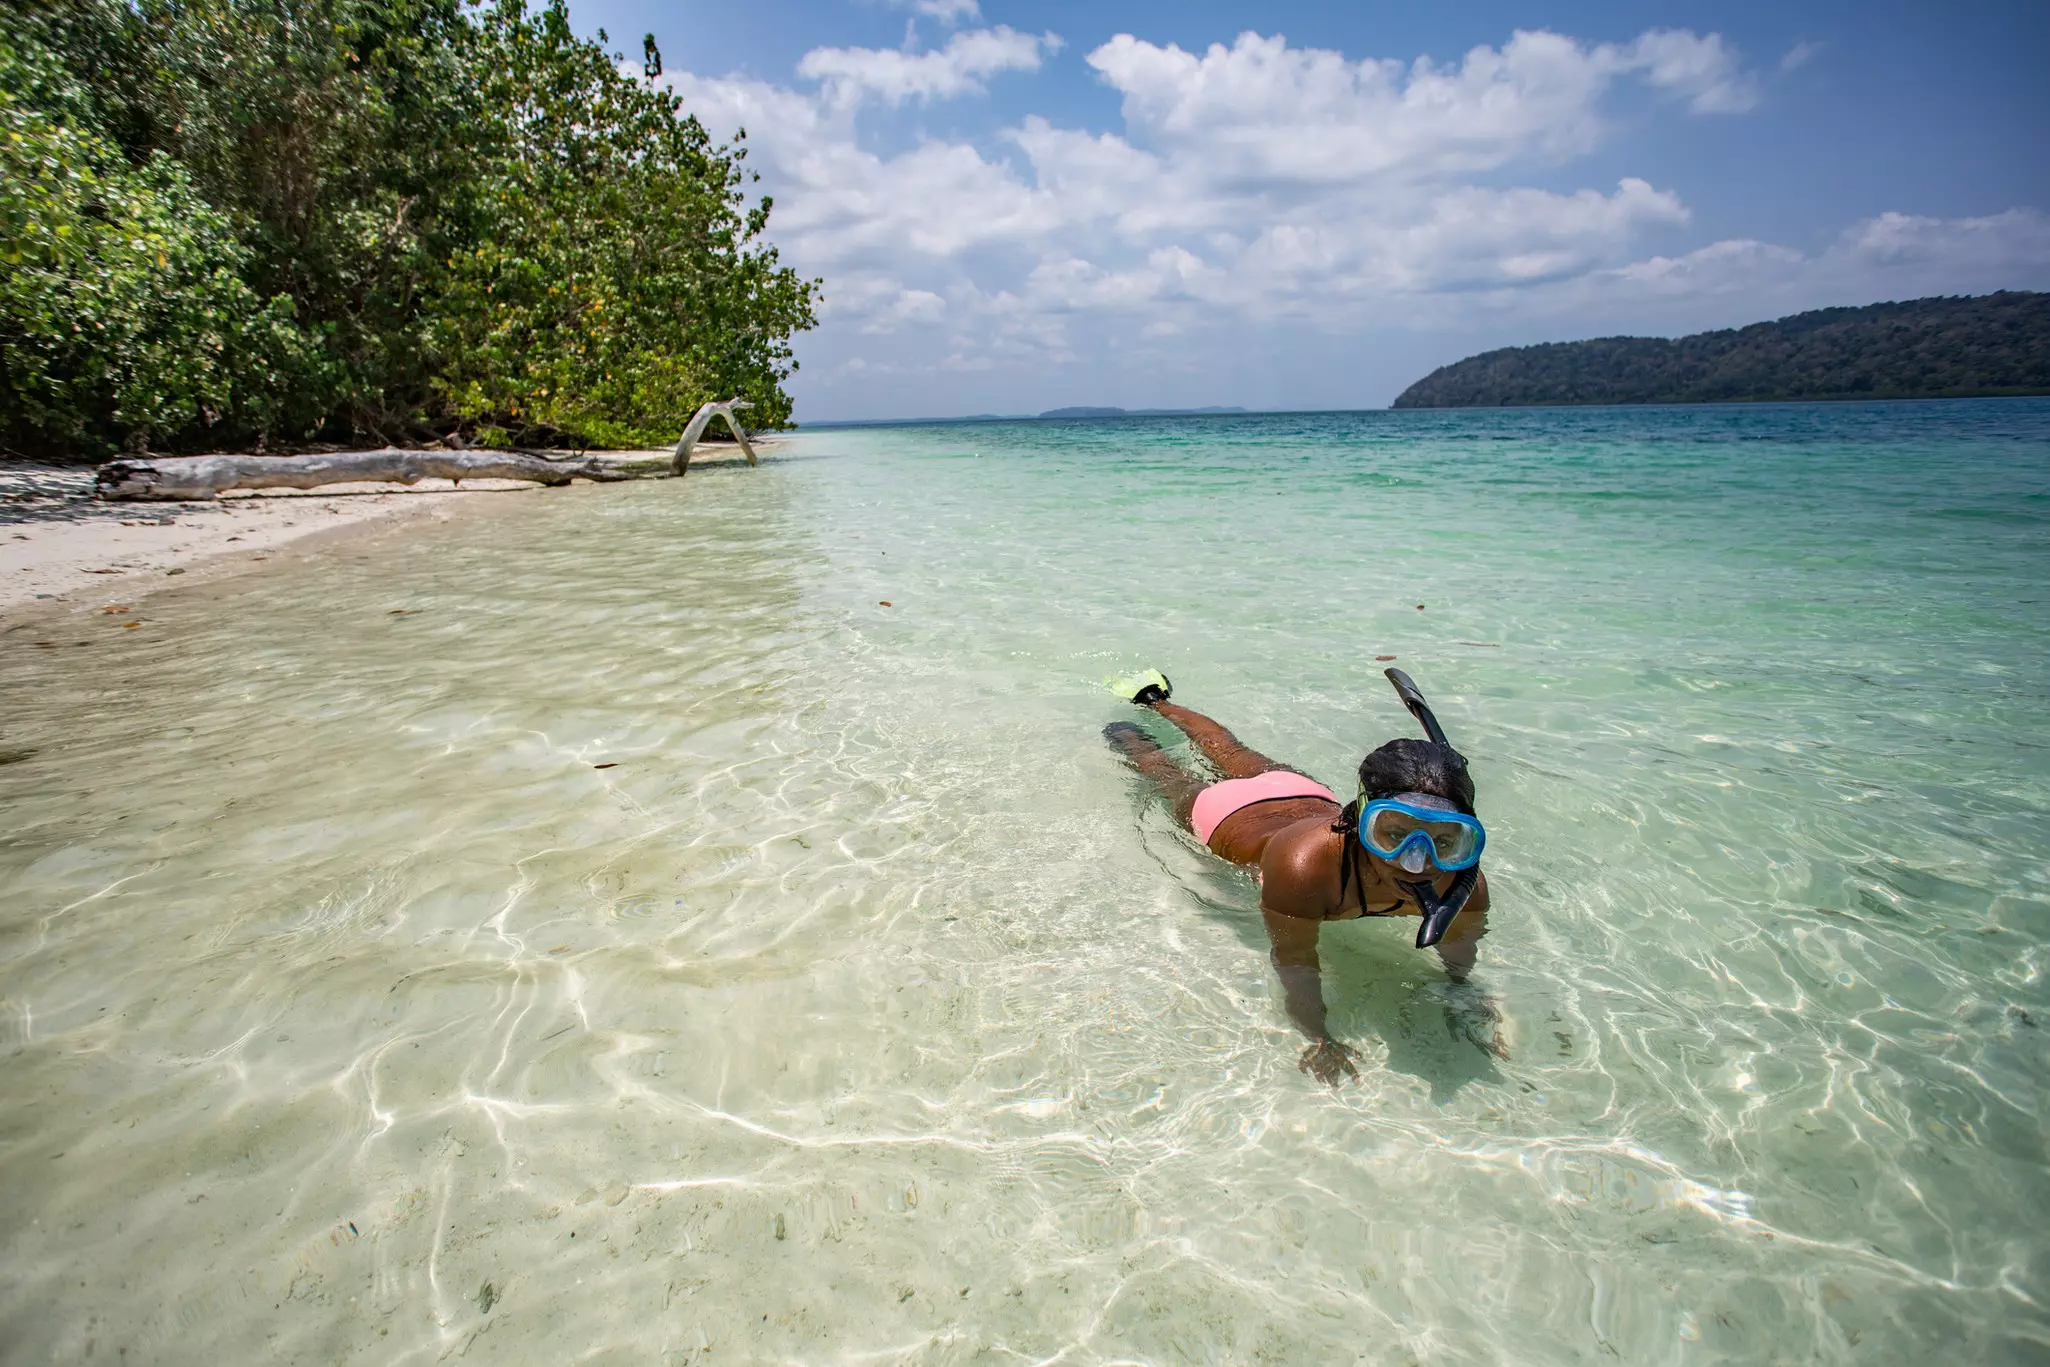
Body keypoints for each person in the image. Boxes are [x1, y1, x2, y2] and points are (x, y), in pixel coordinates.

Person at [1103, 668, 1493, 1084]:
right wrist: (1319, 1037)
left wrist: (1465, 999)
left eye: (1445, 841)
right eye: (1393, 833)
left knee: (1230, 750)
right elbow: (1295, 963)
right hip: (1228, 814)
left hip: (1305, 793)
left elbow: (1460, 948)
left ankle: (1156, 704)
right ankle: (1147, 708)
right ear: (1359, 818)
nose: (1416, 862)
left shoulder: (1462, 881)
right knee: (1167, 772)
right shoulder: (1304, 871)